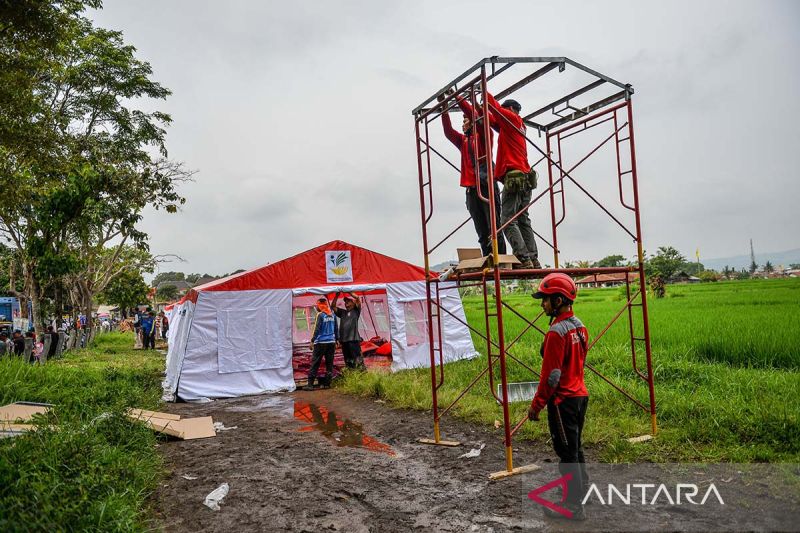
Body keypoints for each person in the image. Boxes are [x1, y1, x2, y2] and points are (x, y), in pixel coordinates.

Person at [528, 273, 589, 520]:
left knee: (567, 454)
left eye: (546, 299)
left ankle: (573, 506)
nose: (542, 304)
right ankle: (581, 492)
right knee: (575, 448)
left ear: (560, 300)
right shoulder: (579, 325)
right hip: (580, 396)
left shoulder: (556, 333)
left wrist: (536, 406)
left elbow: (552, 376)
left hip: (563, 401)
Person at [439, 92, 507, 258]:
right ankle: (487, 259)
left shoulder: (485, 135)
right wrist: (444, 108)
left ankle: (502, 260)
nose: (463, 123)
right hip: (471, 190)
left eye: (465, 120)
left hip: (485, 186)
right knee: (481, 230)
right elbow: (448, 132)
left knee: (494, 227)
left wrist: (456, 96)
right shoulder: (464, 141)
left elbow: (474, 115)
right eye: (462, 121)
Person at [485, 93, 541, 269]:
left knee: (507, 220)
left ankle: (522, 257)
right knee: (523, 219)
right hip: (525, 178)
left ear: (509, 110)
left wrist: (481, 90)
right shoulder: (516, 127)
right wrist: (477, 108)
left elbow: (493, 107)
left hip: (515, 177)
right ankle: (533, 258)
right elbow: (492, 120)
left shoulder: (512, 119)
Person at [304, 297, 337, 390]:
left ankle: (310, 385)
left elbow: (317, 329)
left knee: (315, 363)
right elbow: (336, 328)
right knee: (329, 364)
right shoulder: (332, 314)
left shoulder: (320, 315)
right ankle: (327, 384)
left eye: (317, 306)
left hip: (321, 342)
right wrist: (337, 339)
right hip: (331, 342)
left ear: (319, 305)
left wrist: (312, 341)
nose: (316, 307)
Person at [331, 291, 364, 370]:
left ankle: (362, 374)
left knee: (357, 359)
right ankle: (351, 374)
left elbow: (357, 298)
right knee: (348, 359)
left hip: (353, 340)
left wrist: (349, 291)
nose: (346, 303)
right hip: (344, 341)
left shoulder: (356, 311)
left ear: (353, 303)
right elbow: (333, 306)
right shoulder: (343, 312)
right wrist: (336, 295)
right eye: (345, 302)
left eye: (348, 301)